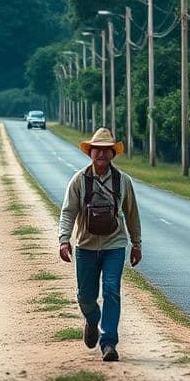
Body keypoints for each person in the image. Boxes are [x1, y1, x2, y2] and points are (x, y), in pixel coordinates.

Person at [58, 128, 142, 362]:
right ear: (90, 152)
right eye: (98, 150)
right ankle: (92, 320)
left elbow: (132, 214)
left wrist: (137, 244)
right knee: (86, 296)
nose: (102, 154)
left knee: (111, 290)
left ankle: (109, 343)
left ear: (113, 154)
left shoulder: (123, 181)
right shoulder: (79, 180)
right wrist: (64, 240)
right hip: (85, 246)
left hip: (114, 245)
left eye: (107, 150)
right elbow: (68, 213)